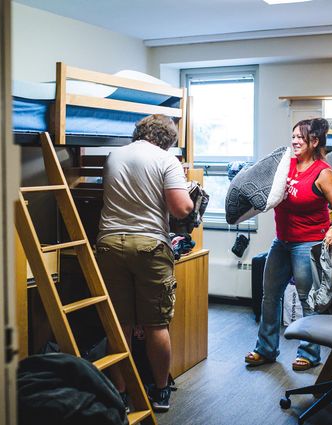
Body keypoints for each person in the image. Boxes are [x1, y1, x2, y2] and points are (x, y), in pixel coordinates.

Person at [95, 114, 193, 412]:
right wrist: (188, 194)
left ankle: (121, 395)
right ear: (168, 139)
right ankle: (161, 391)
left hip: (109, 243)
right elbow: (181, 208)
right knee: (155, 324)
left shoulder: (114, 155)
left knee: (119, 324)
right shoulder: (166, 160)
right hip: (149, 245)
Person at [244, 118, 332, 371]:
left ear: (314, 141)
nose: (294, 141)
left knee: (307, 300)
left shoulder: (323, 173)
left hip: (310, 244)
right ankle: (266, 349)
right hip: (282, 241)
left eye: (300, 138)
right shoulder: (285, 166)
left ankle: (309, 353)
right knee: (270, 296)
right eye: (293, 137)